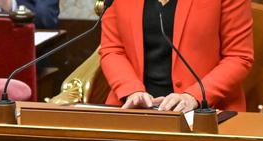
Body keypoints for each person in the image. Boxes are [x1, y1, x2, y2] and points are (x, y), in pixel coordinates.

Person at [98, 0, 254, 112]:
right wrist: (131, 91)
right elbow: (113, 50)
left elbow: (238, 57)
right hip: (132, 108)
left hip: (206, 111)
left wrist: (193, 96)